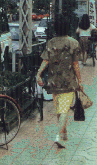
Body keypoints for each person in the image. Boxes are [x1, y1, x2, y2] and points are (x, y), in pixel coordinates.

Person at [36, 15, 83, 149]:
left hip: (53, 80)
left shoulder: (51, 43)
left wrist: (38, 73)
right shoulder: (73, 43)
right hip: (68, 81)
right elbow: (75, 65)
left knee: (59, 108)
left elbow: (45, 60)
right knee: (64, 109)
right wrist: (79, 81)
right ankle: (59, 135)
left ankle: (64, 133)